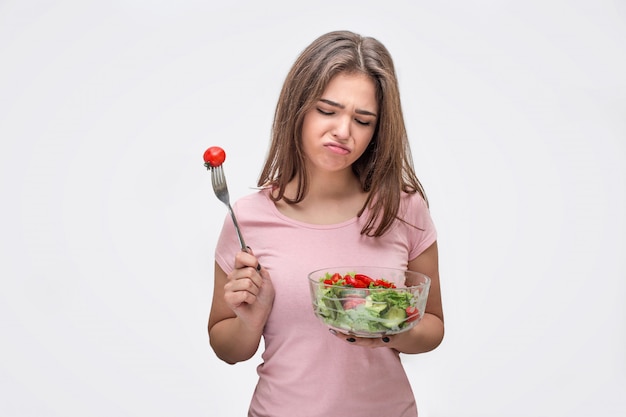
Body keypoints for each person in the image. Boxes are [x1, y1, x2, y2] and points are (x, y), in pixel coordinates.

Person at [208, 30, 444, 417]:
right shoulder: (247, 218)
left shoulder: (403, 207)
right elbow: (226, 347)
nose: (343, 131)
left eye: (363, 119)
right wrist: (251, 319)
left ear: (378, 129)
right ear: (297, 108)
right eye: (327, 110)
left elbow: (433, 327)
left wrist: (390, 329)